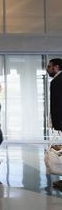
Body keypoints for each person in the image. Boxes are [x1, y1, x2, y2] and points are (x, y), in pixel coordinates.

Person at [46, 58, 62, 189]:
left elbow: (57, 104)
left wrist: (57, 123)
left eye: (49, 67)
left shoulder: (57, 81)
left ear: (56, 67)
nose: (47, 69)